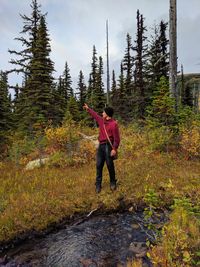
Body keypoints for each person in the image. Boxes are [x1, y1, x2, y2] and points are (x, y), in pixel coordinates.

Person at [83, 103, 120, 193]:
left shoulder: (114, 124)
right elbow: (95, 115)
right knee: (99, 165)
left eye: (103, 112)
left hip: (108, 146)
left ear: (107, 114)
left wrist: (114, 149)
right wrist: (88, 109)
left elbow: (117, 139)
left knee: (109, 165)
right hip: (101, 146)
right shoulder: (101, 121)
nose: (102, 113)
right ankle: (98, 184)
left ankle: (112, 182)